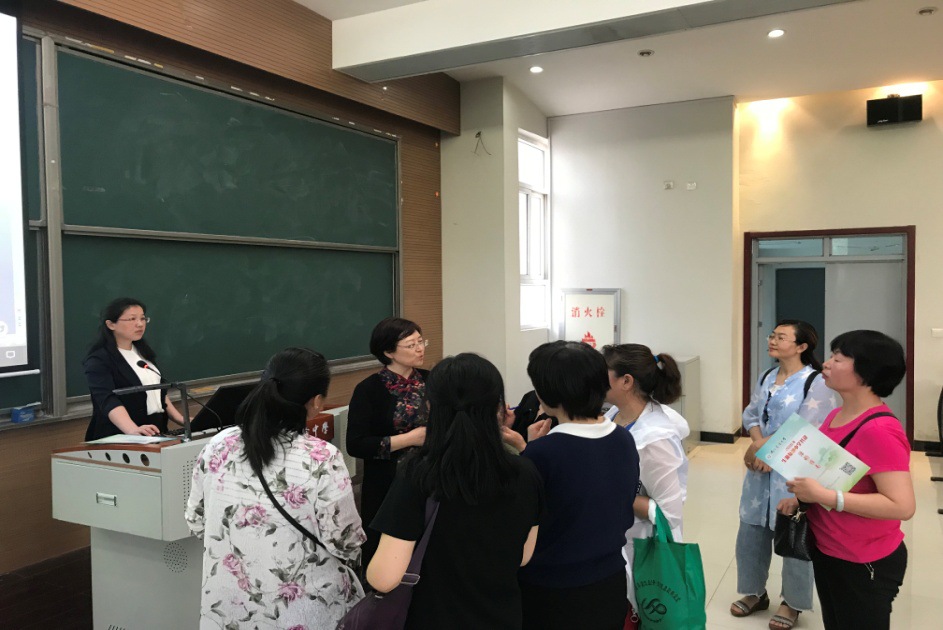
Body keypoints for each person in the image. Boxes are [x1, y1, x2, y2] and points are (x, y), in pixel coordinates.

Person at [185, 347, 365, 629]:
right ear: (317, 401)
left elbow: (196, 521)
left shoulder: (219, 444)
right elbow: (345, 542)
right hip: (302, 609)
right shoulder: (322, 457)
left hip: (228, 605)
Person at [367, 353, 543, 629]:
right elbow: (524, 556)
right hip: (501, 618)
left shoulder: (418, 474)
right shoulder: (525, 471)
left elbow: (384, 578)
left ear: (430, 406)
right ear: (498, 407)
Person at [779, 330, 913, 630]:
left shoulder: (879, 430)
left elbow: (901, 506)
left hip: (863, 559)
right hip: (828, 548)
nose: (826, 364)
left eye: (838, 359)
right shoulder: (836, 416)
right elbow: (833, 479)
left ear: (866, 372)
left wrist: (823, 496)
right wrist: (801, 498)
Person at [504, 340, 640, 630]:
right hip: (610, 581)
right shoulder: (623, 438)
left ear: (547, 394)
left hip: (552, 589)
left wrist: (529, 450)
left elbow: (521, 525)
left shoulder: (542, 454)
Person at [731, 320, 838, 630]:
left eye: (781, 337)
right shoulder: (767, 376)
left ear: (802, 346)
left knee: (793, 533)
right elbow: (752, 414)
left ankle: (793, 602)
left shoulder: (816, 382)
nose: (773, 341)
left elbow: (809, 426)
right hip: (760, 469)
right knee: (751, 529)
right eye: (772, 335)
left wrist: (765, 449)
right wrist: (758, 444)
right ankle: (754, 592)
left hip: (792, 470)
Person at [601, 344, 690, 623]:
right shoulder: (613, 414)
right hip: (614, 538)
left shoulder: (655, 438)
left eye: (603, 372)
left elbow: (669, 513)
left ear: (626, 381)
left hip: (641, 547)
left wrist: (608, 492)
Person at [346, 317, 429, 569]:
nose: (420, 349)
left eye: (421, 342)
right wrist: (409, 439)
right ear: (388, 352)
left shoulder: (432, 380)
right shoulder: (369, 389)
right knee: (387, 555)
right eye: (411, 345)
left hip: (430, 477)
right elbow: (356, 444)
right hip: (388, 484)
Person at [83, 297, 185, 440]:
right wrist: (132, 429)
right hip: (119, 436)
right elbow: (107, 400)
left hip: (154, 429)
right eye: (132, 319)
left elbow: (157, 391)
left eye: (143, 319)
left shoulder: (143, 352)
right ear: (111, 324)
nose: (140, 324)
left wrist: (181, 419)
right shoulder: (99, 360)